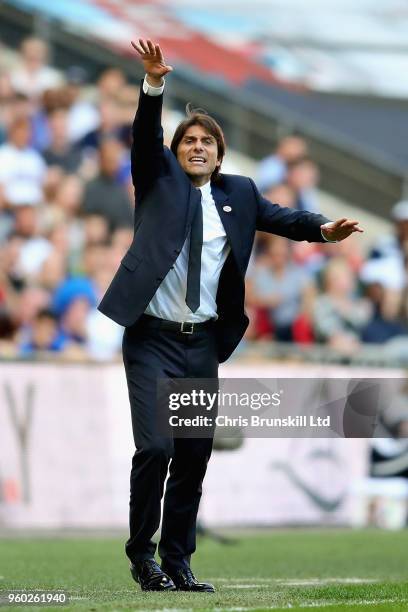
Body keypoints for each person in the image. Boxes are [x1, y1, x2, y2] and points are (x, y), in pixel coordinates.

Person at [98, 38, 363, 593]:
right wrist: (153, 85)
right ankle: (141, 557)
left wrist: (322, 229)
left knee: (192, 457)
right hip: (151, 339)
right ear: (176, 152)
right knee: (155, 448)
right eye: (188, 141)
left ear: (220, 154)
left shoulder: (238, 193)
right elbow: (146, 137)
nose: (196, 148)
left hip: (201, 345)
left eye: (206, 142)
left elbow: (281, 217)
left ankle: (177, 561)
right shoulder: (158, 179)